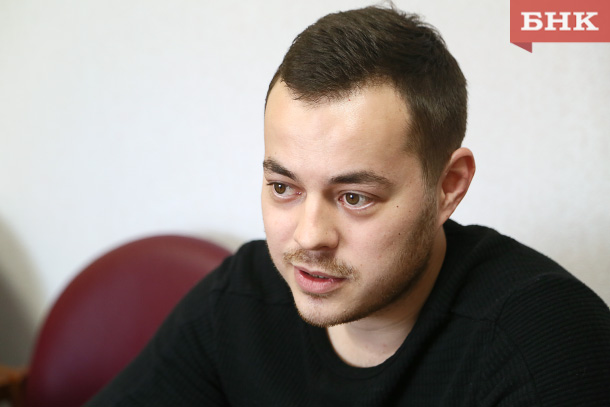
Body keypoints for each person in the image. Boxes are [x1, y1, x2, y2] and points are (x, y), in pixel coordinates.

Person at [87, 4, 610, 406]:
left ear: (448, 187)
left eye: (354, 197)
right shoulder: (240, 301)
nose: (308, 237)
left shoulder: (549, 344)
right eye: (284, 188)